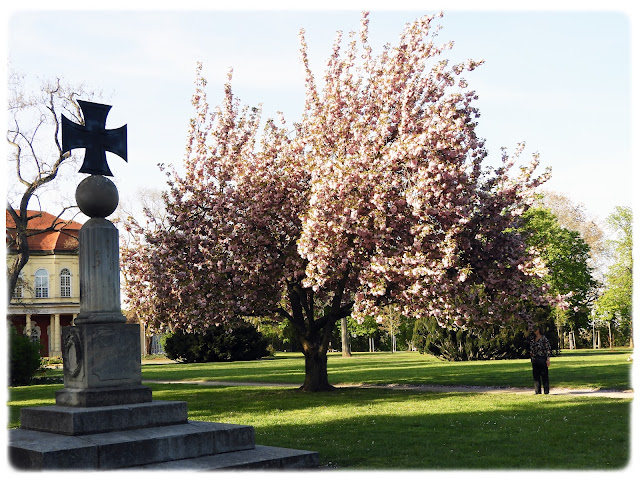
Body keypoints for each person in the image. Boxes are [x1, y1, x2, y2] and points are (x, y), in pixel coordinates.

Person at [529, 325, 551, 394]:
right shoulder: (533, 339)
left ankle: (546, 391)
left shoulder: (543, 338)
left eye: (536, 329)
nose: (535, 330)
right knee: (536, 376)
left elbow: (548, 349)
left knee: (544, 375)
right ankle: (537, 391)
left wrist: (548, 359)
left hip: (542, 358)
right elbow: (531, 349)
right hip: (535, 359)